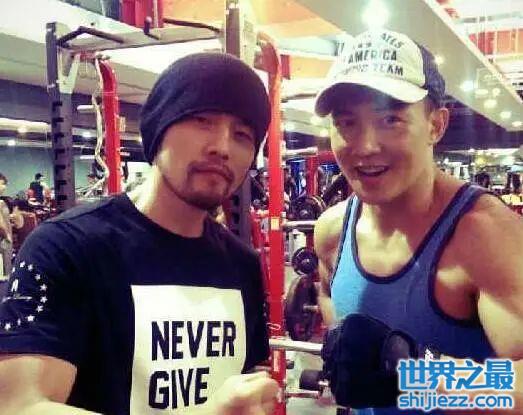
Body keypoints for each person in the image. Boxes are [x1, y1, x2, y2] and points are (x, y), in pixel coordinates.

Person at [0, 53, 278, 415]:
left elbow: (245, 380)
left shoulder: (241, 263)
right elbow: (20, 405)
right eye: (202, 121)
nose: (222, 147)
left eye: (242, 135)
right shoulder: (66, 247)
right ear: (160, 129)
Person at [313, 29, 523, 413]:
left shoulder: (486, 236)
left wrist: (419, 375)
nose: (366, 146)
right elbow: (329, 295)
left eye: (390, 119)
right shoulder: (332, 231)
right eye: (346, 122)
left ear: (436, 125)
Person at [0, 173, 23, 279]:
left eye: (5, 184)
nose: (4, 187)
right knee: (5, 271)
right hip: (3, 239)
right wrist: (7, 236)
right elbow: (1, 224)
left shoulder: (4, 201)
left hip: (5, 238)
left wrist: (11, 217)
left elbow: (16, 222)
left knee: (6, 267)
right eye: (2, 184)